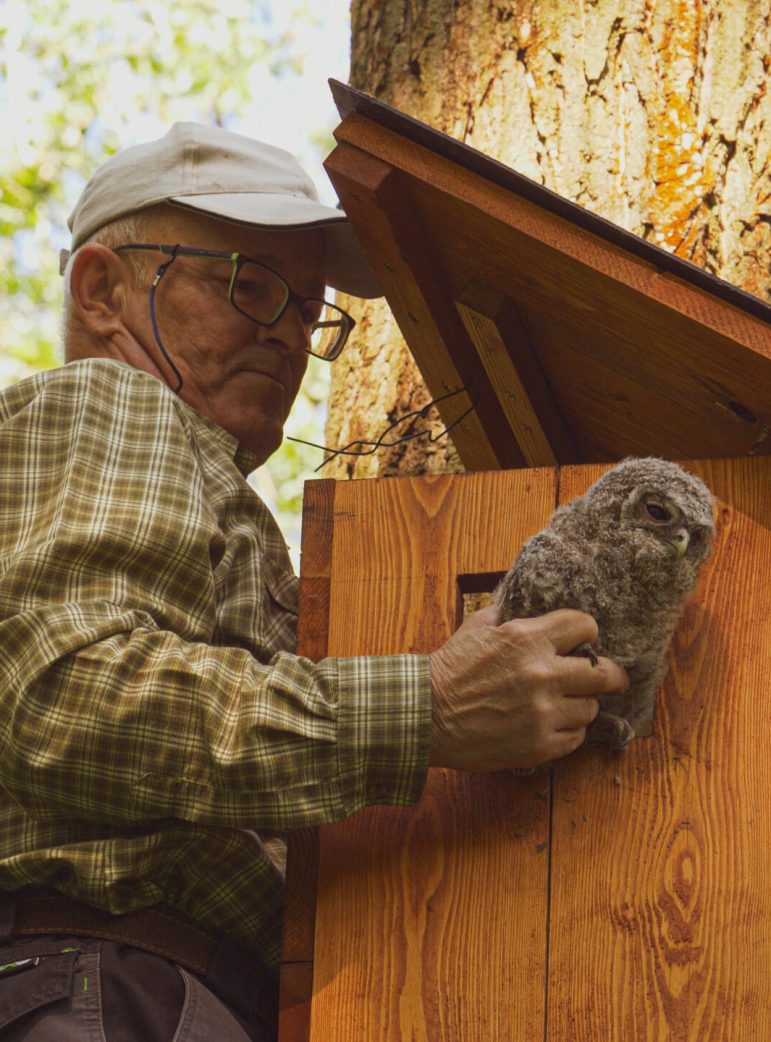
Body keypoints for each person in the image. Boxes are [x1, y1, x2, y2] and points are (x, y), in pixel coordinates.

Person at [0, 122, 628, 1041]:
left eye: (307, 311)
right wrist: (427, 708)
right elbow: (66, 698)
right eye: (250, 287)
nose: (289, 336)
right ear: (103, 291)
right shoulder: (117, 400)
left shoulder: (188, 479)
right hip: (109, 981)